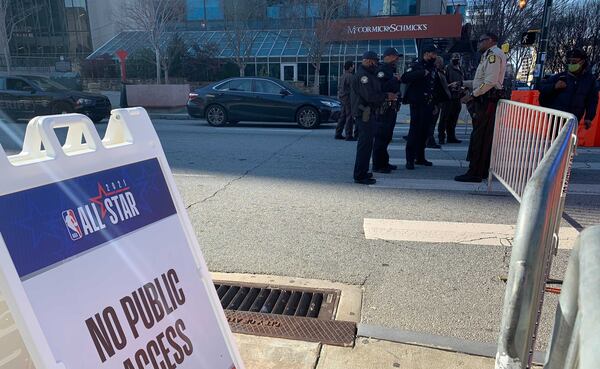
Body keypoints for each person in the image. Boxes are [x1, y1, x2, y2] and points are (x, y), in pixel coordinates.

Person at [455, 32, 507, 183]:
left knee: (480, 137)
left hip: (487, 100)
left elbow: (490, 82)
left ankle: (475, 172)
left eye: (481, 41)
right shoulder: (488, 55)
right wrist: (462, 83)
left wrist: (473, 95)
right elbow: (480, 81)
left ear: (490, 40)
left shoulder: (493, 55)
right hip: (485, 99)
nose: (478, 44)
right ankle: (481, 170)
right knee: (482, 136)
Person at [351, 51, 397, 185]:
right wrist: (386, 96)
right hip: (364, 113)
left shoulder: (369, 74)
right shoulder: (362, 76)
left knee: (368, 144)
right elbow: (369, 96)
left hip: (369, 112)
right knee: (365, 145)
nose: (376, 64)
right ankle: (360, 175)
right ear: (367, 61)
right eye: (374, 61)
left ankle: (363, 171)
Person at [401, 45, 444, 170]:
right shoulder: (417, 66)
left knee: (425, 131)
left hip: (429, 104)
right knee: (414, 132)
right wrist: (420, 73)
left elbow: (434, 87)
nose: (435, 56)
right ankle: (410, 159)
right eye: (433, 54)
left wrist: (435, 103)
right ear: (426, 54)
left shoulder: (433, 68)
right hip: (417, 104)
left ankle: (420, 157)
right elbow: (404, 78)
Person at [539, 48, 598, 130]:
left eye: (574, 62)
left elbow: (592, 100)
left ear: (582, 62)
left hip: (574, 118)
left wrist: (589, 117)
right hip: (556, 118)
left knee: (568, 140)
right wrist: (554, 86)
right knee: (557, 140)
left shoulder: (590, 80)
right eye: (569, 62)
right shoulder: (561, 76)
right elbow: (541, 86)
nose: (571, 64)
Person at [372, 47, 402, 173]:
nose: (397, 59)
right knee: (381, 136)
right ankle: (378, 165)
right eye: (395, 57)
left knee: (387, 136)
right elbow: (380, 87)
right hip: (384, 108)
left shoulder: (390, 70)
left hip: (391, 107)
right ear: (388, 57)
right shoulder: (382, 70)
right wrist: (395, 79)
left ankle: (384, 162)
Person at [439, 53, 464, 144]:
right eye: (455, 58)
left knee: (454, 118)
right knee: (445, 118)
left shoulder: (460, 68)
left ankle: (451, 136)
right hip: (448, 96)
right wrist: (451, 85)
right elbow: (443, 83)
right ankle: (441, 137)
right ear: (451, 59)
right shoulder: (447, 68)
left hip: (457, 96)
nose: (456, 60)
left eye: (458, 58)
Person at [427, 56, 450, 149]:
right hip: (435, 101)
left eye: (441, 62)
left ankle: (430, 139)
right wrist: (435, 103)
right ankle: (429, 140)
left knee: (433, 121)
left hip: (439, 100)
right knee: (431, 122)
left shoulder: (439, 72)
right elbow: (435, 89)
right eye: (439, 62)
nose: (441, 64)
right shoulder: (435, 73)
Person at [335, 60, 357, 141]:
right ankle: (349, 135)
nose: (353, 67)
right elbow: (353, 89)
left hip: (342, 98)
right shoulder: (350, 76)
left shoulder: (343, 76)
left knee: (343, 116)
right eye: (353, 65)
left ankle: (338, 133)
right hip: (348, 98)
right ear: (350, 67)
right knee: (349, 117)